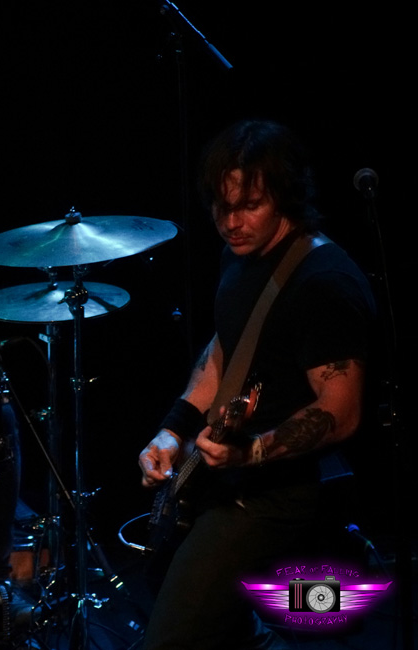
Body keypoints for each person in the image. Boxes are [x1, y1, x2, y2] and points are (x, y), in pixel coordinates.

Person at [137, 120, 375, 649]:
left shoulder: (322, 285)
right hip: (230, 481)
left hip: (277, 494)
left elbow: (341, 409)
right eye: (222, 207)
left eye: (250, 206)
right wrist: (172, 433)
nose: (231, 223)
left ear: (285, 198)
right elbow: (225, 351)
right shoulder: (242, 255)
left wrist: (250, 454)